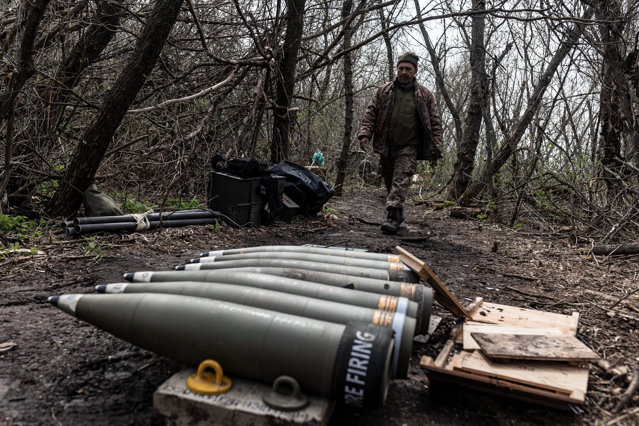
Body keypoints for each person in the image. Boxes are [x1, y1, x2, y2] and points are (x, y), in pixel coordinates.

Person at [357, 52, 442, 234]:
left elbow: (434, 123)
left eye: (408, 69)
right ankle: (397, 214)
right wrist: (365, 134)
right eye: (401, 68)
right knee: (390, 183)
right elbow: (371, 113)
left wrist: (435, 151)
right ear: (397, 69)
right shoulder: (384, 91)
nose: (403, 72)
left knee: (400, 181)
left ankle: (392, 219)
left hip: (409, 147)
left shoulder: (425, 95)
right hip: (386, 145)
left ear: (415, 71)